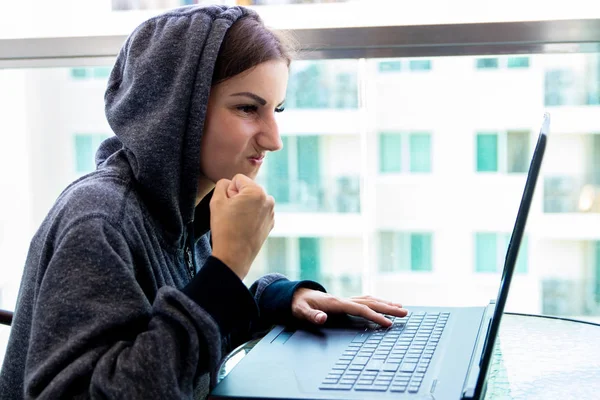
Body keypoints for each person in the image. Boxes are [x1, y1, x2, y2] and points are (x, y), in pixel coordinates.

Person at [0, 5, 407, 399]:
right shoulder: (99, 222)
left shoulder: (185, 210)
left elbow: (175, 326)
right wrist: (226, 269)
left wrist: (278, 300)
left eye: (277, 110)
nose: (273, 139)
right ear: (176, 112)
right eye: (248, 108)